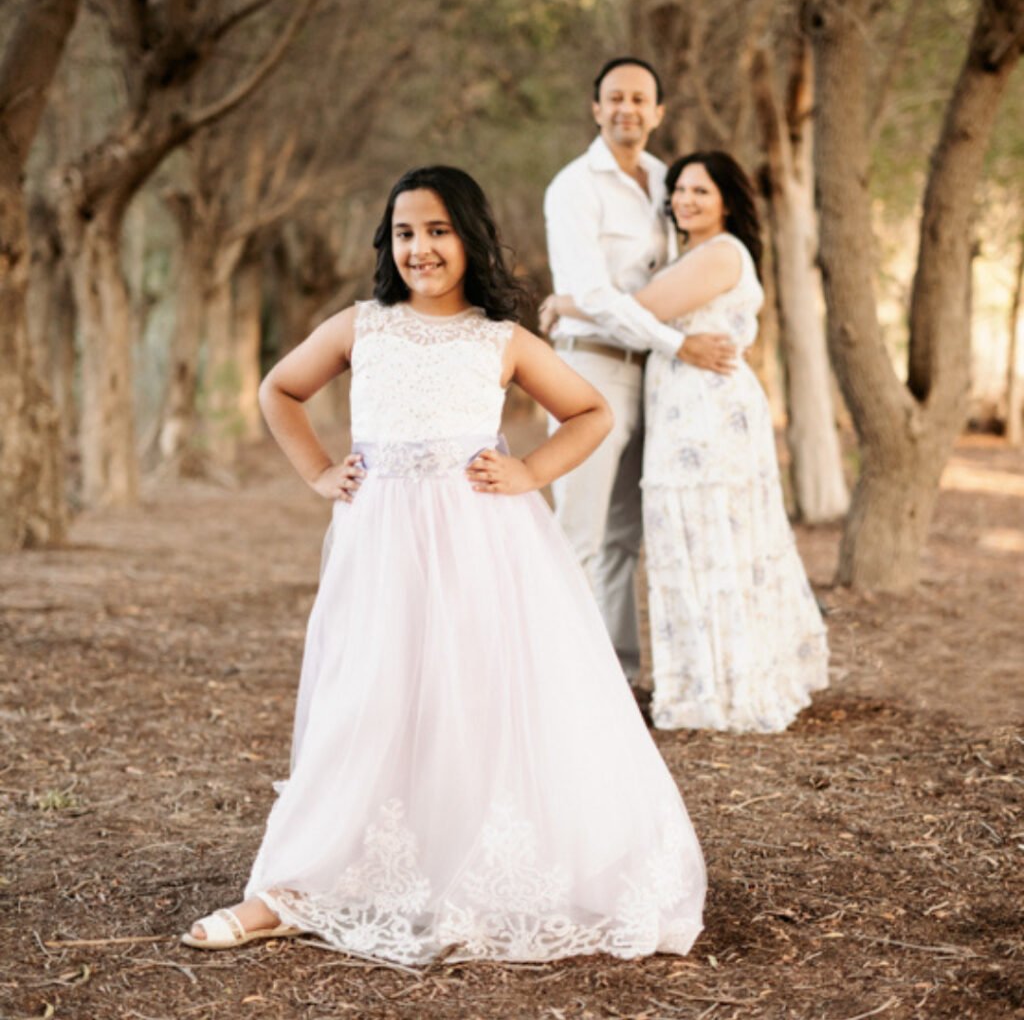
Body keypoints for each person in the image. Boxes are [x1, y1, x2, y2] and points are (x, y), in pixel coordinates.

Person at [181, 166, 705, 963]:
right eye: (404, 233)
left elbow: (590, 411)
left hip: (480, 544)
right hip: (381, 544)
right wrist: (322, 471)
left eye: (437, 231)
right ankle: (288, 888)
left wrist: (530, 470)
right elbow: (278, 392)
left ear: (468, 239)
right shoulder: (362, 326)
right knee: (366, 697)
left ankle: (464, 869)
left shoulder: (501, 340)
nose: (419, 248)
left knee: (472, 697)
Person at [542, 151, 829, 732]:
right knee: (687, 544)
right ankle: (700, 679)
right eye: (678, 190)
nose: (685, 200)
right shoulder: (693, 254)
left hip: (708, 416)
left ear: (727, 199)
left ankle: (722, 685)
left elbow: (641, 311)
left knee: (710, 541)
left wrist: (565, 302)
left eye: (700, 190)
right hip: (678, 411)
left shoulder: (723, 253)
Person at [544, 57, 736, 684]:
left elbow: (690, 268)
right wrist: (677, 345)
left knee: (626, 535)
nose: (627, 108)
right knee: (577, 537)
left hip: (652, 377)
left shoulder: (664, 181)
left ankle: (616, 679)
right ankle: (559, 683)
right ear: (596, 108)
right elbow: (593, 296)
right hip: (589, 373)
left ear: (658, 112)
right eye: (614, 97)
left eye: (639, 99)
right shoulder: (573, 187)